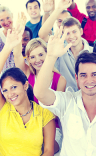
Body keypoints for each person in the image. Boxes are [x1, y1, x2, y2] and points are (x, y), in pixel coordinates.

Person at [33, 26, 96, 156]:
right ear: (76, 78)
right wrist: (51, 56)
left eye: (94, 74)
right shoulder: (67, 101)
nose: (89, 80)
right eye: (83, 75)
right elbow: (40, 93)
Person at [0, 23, 55, 156]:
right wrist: (8, 46)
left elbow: (48, 151)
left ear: (25, 85)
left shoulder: (44, 114)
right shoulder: (3, 108)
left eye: (13, 87)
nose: (10, 94)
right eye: (5, 90)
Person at [39, 0, 93, 91]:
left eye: (74, 32)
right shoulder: (59, 49)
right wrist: (58, 8)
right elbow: (42, 35)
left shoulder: (93, 52)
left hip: (89, 97)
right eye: (67, 33)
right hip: (67, 99)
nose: (71, 36)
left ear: (81, 31)